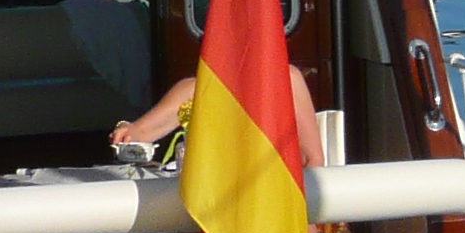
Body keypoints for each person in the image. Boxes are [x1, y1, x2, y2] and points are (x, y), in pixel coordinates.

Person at [113, 67, 326, 172]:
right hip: (215, 207)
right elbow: (142, 131)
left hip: (278, 201)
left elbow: (312, 159)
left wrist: (306, 218)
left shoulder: (288, 79)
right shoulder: (197, 89)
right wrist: (127, 130)